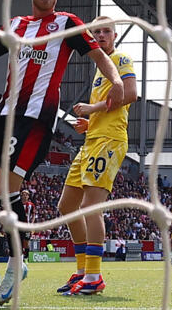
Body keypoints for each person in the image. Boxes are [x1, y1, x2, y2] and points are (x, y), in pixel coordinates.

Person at [0, 0, 124, 306]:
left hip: (36, 120)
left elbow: (98, 55)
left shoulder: (68, 24)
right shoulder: (16, 26)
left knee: (7, 187)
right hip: (3, 116)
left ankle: (18, 267)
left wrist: (117, 79)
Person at [56, 16, 137, 295]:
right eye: (96, 32)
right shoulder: (99, 68)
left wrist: (92, 110)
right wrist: (89, 123)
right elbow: (110, 107)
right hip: (92, 139)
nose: (101, 35)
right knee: (66, 206)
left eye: (106, 31)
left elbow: (131, 94)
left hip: (110, 140)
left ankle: (93, 277)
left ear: (114, 36)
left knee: (91, 206)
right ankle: (81, 270)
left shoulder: (121, 59)